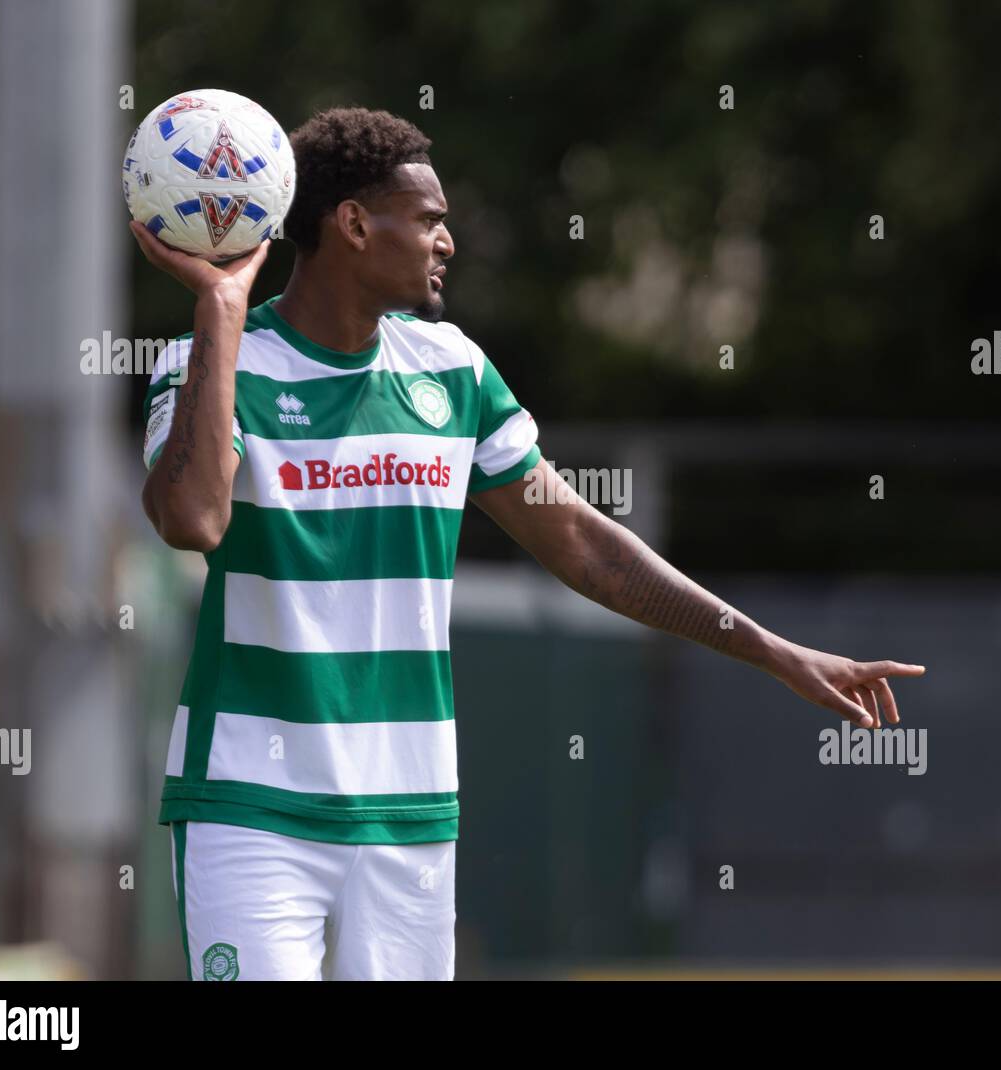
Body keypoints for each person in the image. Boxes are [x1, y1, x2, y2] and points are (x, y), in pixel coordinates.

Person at [134, 106, 925, 981]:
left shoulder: (453, 370)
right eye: (430, 220)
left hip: (413, 815)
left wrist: (774, 652)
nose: (449, 243)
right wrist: (219, 305)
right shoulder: (211, 365)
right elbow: (192, 520)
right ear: (355, 224)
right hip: (252, 804)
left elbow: (586, 546)